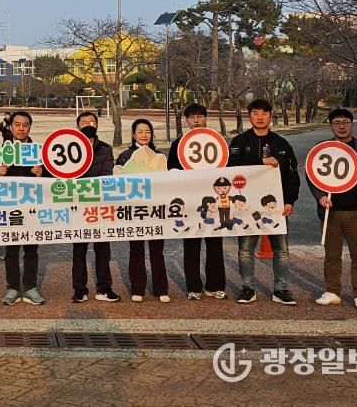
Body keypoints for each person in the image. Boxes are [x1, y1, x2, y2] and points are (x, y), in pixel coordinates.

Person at [308, 109, 357, 310]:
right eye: (337, 122)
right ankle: (332, 291)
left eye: (345, 122)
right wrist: (320, 195)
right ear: (331, 126)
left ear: (352, 124)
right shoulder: (323, 149)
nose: (341, 126)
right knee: (332, 255)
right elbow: (312, 174)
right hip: (330, 211)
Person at [228, 99, 300, 305]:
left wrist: (290, 201)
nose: (260, 117)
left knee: (281, 251)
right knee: (245, 250)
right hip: (247, 206)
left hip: (276, 206)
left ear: (270, 115)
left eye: (264, 113)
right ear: (249, 115)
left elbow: (292, 175)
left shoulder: (281, 144)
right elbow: (232, 167)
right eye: (255, 113)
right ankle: (248, 288)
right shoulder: (239, 142)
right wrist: (260, 161)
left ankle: (281, 289)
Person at [167, 103, 226, 300]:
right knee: (191, 245)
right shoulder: (178, 144)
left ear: (206, 118)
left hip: (213, 202)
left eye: (200, 116)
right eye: (192, 117)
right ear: (186, 120)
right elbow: (171, 170)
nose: (196, 120)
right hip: (189, 202)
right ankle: (193, 287)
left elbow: (227, 169)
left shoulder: (216, 141)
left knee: (215, 244)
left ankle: (215, 285)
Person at [0, 111, 46, 306]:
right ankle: (13, 288)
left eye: (25, 125)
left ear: (30, 127)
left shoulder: (39, 152)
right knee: (11, 250)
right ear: (11, 127)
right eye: (17, 124)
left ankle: (30, 287)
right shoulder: (0, 151)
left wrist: (41, 174)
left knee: (31, 250)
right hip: (10, 207)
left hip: (32, 207)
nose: (21, 128)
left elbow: (51, 181)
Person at [116, 119, 169, 303]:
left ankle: (161, 289)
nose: (144, 135)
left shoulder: (159, 155)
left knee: (157, 251)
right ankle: (137, 289)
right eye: (140, 132)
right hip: (134, 211)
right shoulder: (125, 156)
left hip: (155, 211)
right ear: (133, 135)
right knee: (136, 250)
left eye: (147, 131)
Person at [71, 111, 120, 303]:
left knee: (103, 249)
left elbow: (108, 174)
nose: (88, 125)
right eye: (84, 122)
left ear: (97, 126)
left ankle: (104, 288)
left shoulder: (105, 149)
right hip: (77, 206)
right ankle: (79, 289)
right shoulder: (68, 147)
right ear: (77, 127)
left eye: (92, 122)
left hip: (100, 207)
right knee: (79, 250)